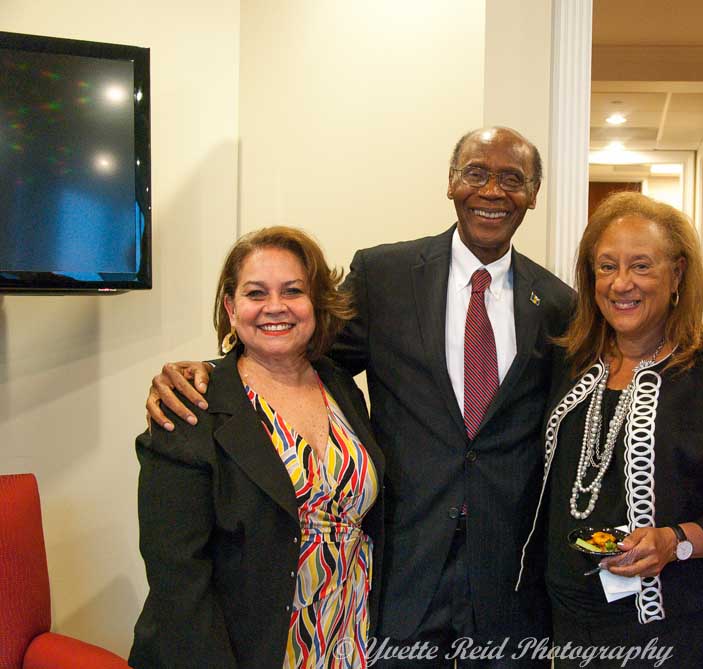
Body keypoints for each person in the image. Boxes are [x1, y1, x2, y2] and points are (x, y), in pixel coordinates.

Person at [144, 127, 575, 666]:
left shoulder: (558, 305)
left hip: (507, 579)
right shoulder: (384, 276)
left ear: (533, 194)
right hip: (401, 575)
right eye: (476, 173)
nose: (492, 191)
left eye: (512, 179)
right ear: (450, 183)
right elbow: (296, 350)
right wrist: (209, 373)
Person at [130, 227, 384, 669]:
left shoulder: (341, 387)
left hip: (345, 639)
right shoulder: (191, 405)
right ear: (231, 308)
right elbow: (178, 578)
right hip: (240, 652)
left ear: (315, 302)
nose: (275, 306)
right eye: (256, 293)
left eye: (293, 291)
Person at [516, 192, 703, 668]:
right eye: (606, 267)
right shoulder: (567, 359)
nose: (621, 283)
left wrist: (675, 541)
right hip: (567, 623)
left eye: (641, 266)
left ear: (677, 274)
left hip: (671, 628)